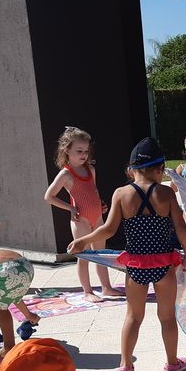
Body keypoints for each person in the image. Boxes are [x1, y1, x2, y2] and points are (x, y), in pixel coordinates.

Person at [68, 137, 186, 371]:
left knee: (133, 317)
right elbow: (181, 227)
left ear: (131, 170)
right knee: (167, 316)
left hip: (135, 265)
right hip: (163, 264)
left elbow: (108, 229)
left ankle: (125, 366)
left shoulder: (121, 194)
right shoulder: (166, 193)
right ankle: (172, 363)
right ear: (160, 169)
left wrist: (84, 240)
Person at [43, 126, 120, 303]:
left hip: (97, 216)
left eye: (86, 151)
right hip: (81, 219)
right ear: (67, 150)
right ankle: (87, 291)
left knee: (100, 254)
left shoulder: (90, 170)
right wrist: (70, 208)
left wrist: (100, 204)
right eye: (79, 151)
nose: (84, 154)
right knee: (83, 256)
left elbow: (93, 191)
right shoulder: (65, 174)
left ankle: (106, 287)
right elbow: (49, 196)